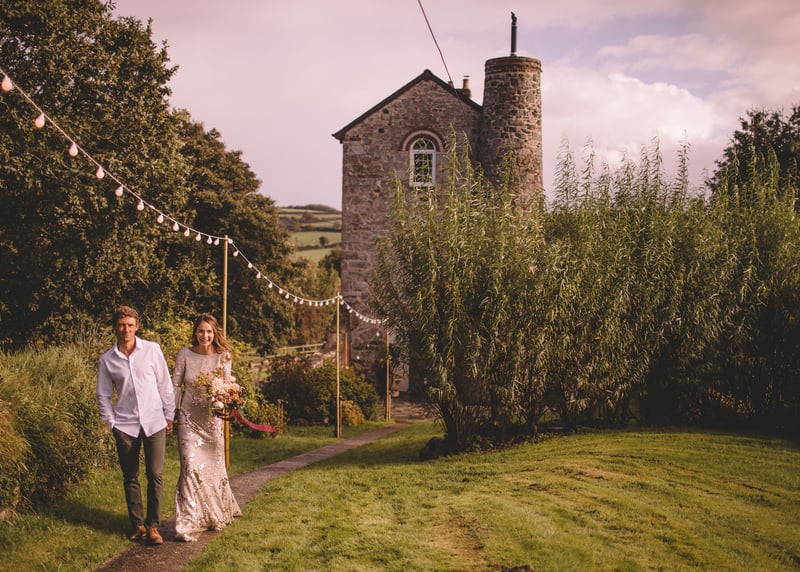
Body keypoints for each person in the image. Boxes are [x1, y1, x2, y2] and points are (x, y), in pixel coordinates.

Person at [96, 305, 175, 546]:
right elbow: (103, 395)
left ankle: (153, 526)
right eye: (121, 325)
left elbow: (165, 384)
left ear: (137, 326)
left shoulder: (152, 350)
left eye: (130, 325)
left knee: (155, 474)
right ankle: (138, 525)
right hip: (125, 425)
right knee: (130, 475)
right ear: (115, 327)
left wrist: (169, 414)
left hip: (154, 422)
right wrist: (111, 423)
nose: (126, 329)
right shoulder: (107, 360)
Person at [172, 313, 242, 542]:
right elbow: (175, 385)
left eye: (209, 331)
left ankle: (213, 514)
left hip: (212, 421)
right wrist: (172, 413)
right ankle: (189, 521)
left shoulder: (224, 356)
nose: (205, 335)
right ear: (195, 332)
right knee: (189, 466)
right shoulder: (184, 354)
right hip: (188, 418)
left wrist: (224, 398)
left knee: (213, 468)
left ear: (215, 333)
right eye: (201, 331)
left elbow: (228, 386)